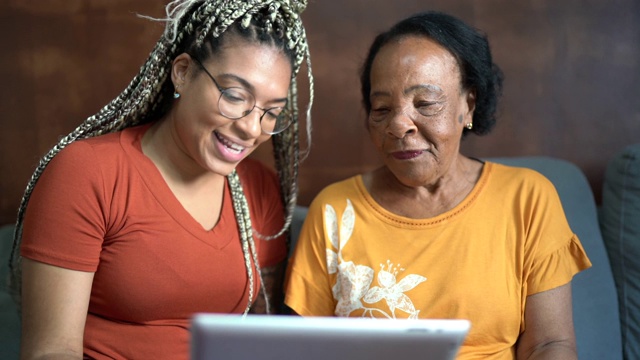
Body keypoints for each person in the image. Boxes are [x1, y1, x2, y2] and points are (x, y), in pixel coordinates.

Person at [8, 0, 313, 358]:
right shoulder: (87, 173)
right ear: (182, 72)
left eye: (272, 112)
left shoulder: (258, 188)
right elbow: (50, 351)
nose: (251, 127)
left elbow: (262, 339)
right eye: (234, 96)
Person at [284, 11, 591, 360]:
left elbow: (550, 344)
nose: (399, 126)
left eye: (425, 103)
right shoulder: (335, 211)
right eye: (381, 108)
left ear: (468, 105)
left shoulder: (528, 198)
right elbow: (306, 349)